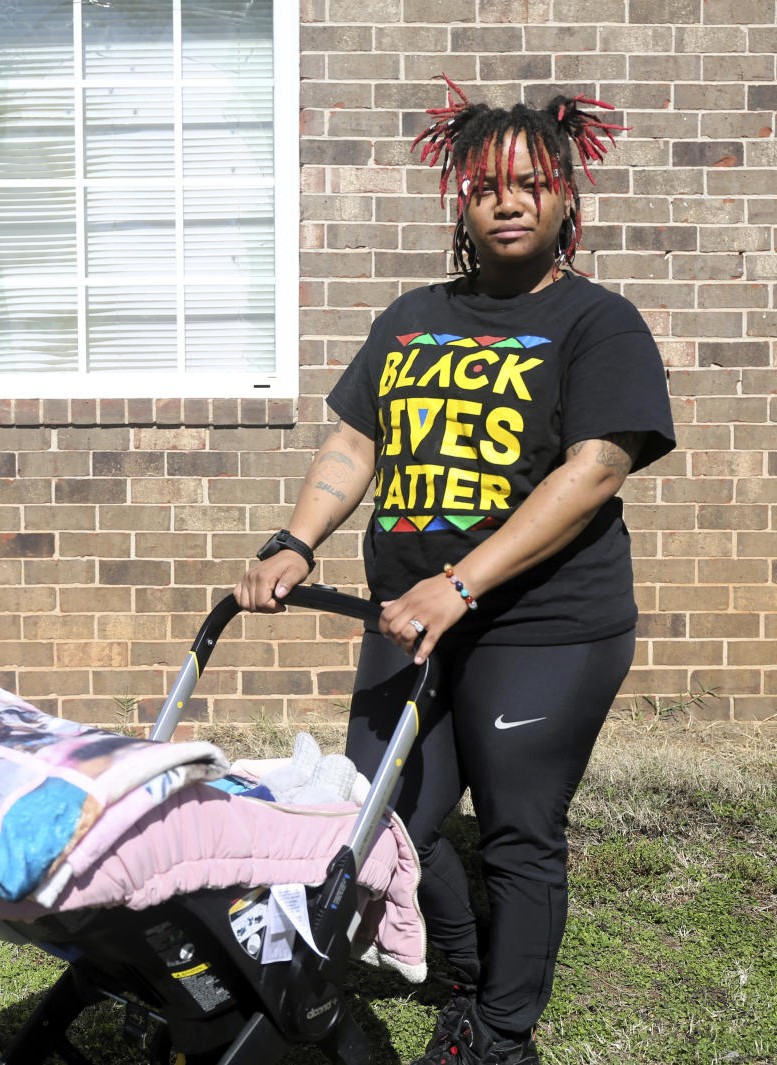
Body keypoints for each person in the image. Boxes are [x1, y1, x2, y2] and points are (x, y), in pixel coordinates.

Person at [235, 76, 675, 1065]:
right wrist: (294, 540)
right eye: (486, 187)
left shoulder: (598, 325)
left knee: (518, 828)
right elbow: (354, 443)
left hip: (546, 626)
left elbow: (595, 470)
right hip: (406, 614)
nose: (508, 201)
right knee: (387, 813)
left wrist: (464, 582)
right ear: (461, 205)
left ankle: (501, 1033)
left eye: (530, 185)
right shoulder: (409, 317)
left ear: (566, 201)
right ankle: (465, 974)